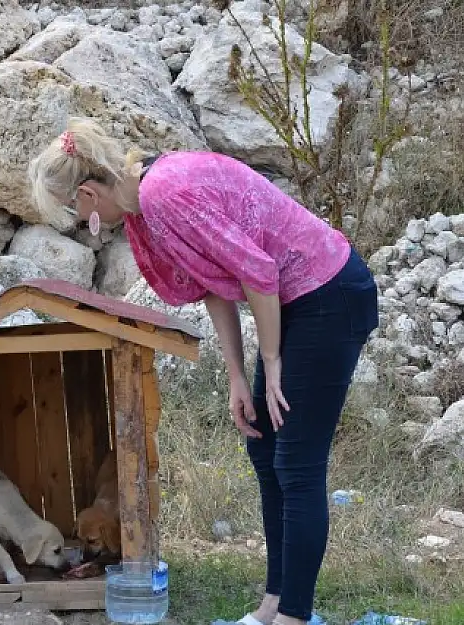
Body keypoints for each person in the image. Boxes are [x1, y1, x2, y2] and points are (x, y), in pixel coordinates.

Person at [27, 117, 379, 625]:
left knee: (296, 462)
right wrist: (238, 374)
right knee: (264, 444)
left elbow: (259, 270)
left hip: (328, 295)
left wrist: (273, 362)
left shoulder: (166, 193)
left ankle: (294, 617)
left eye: (73, 211)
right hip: (294, 302)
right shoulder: (142, 207)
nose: (81, 221)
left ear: (87, 192)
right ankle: (273, 605)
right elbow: (214, 283)